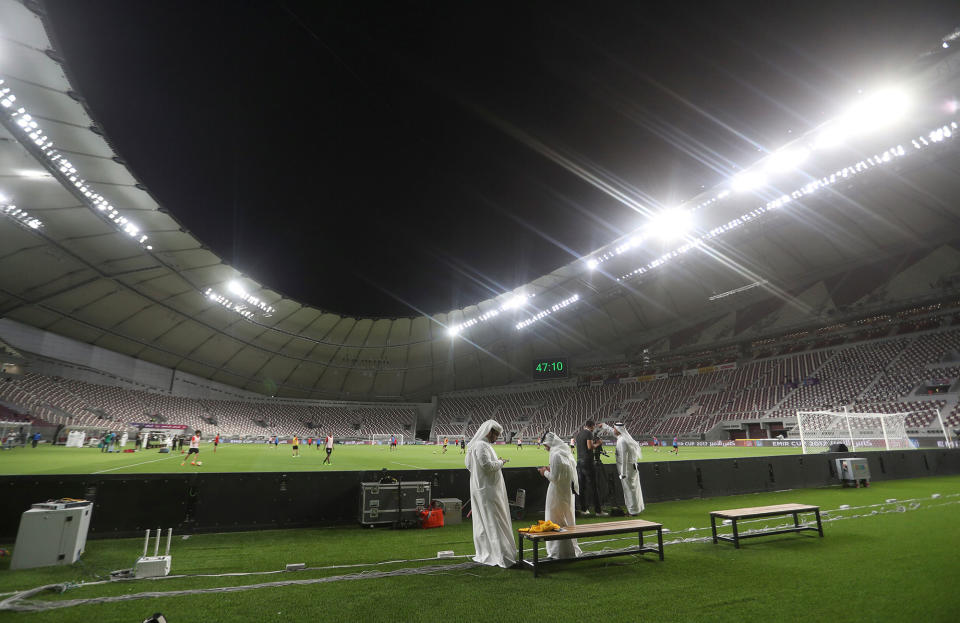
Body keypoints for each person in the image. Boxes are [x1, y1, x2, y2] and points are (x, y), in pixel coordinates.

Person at [465, 420, 515, 568]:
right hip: (487, 489)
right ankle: (500, 554)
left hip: (482, 487)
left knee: (484, 520)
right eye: (496, 435)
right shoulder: (481, 445)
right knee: (494, 520)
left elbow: (468, 465)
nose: (497, 438)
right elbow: (486, 466)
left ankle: (489, 552)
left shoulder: (477, 445)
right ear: (489, 432)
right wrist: (500, 462)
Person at [539, 432, 582, 559]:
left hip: (557, 492)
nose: (545, 447)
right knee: (566, 518)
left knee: (555, 519)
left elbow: (554, 478)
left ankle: (558, 552)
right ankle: (567, 550)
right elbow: (563, 473)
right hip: (566, 491)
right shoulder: (565, 453)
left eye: (545, 444)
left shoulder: (555, 454)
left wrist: (544, 472)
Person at [574, 420, 607, 516]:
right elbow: (590, 447)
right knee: (594, 486)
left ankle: (584, 509)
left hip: (579, 461)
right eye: (593, 427)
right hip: (587, 462)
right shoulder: (588, 433)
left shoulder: (579, 434)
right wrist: (599, 443)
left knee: (582, 486)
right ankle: (598, 511)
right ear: (591, 426)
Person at [613, 423, 645, 515]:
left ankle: (633, 511)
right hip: (631, 467)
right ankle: (636, 508)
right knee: (634, 489)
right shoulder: (624, 438)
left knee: (630, 490)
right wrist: (604, 426)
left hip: (627, 469)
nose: (613, 430)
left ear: (618, 430)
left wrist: (623, 473)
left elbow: (624, 457)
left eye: (614, 428)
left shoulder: (622, 441)